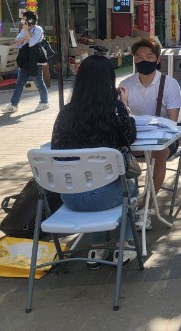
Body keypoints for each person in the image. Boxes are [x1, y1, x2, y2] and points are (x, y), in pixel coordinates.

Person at [51, 55, 138, 267]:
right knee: (130, 188)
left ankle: (97, 249)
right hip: (104, 196)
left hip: (69, 195)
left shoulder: (66, 113)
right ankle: (122, 246)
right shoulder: (114, 110)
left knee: (94, 180)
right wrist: (125, 106)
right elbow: (130, 136)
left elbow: (55, 149)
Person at [118, 37, 181, 230]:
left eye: (148, 56)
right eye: (138, 57)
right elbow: (119, 119)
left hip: (162, 138)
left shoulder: (169, 84)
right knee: (117, 153)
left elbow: (173, 120)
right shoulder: (125, 84)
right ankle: (127, 199)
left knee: (159, 153)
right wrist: (123, 103)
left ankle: (147, 204)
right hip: (132, 137)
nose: (143, 60)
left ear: (157, 59)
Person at [1, 11, 50, 114]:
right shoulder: (24, 29)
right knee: (19, 83)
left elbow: (32, 43)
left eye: (24, 18)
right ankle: (13, 105)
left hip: (35, 59)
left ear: (30, 20)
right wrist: (25, 35)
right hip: (25, 59)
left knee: (38, 81)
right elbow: (17, 42)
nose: (22, 20)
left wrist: (27, 33)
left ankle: (44, 102)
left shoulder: (38, 29)